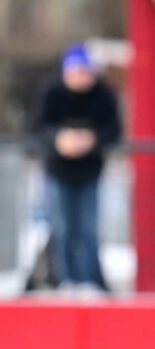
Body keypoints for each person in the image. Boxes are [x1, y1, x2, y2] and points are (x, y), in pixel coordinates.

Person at [32, 42, 121, 291]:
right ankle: (65, 281)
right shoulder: (51, 93)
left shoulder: (102, 95)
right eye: (75, 72)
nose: (80, 77)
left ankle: (88, 281)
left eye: (84, 71)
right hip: (58, 172)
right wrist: (59, 139)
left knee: (88, 229)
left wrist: (91, 140)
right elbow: (39, 126)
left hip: (90, 172)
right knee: (62, 228)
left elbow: (113, 129)